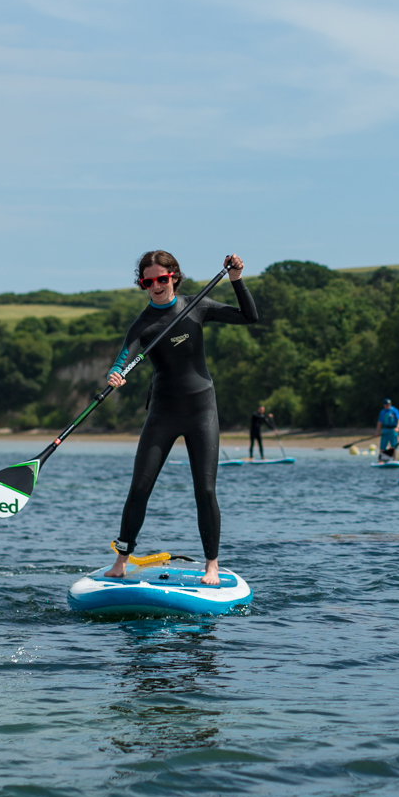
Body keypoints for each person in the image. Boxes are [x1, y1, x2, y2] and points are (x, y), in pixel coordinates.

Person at [104, 250, 256, 586]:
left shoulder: (197, 305)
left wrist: (236, 280)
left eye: (161, 278)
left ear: (174, 276)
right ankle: (121, 560)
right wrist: (116, 374)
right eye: (148, 281)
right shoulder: (144, 324)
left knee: (205, 489)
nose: (155, 286)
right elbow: (123, 358)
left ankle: (211, 566)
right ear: (143, 284)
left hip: (202, 409)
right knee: (139, 487)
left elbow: (249, 316)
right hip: (163, 411)